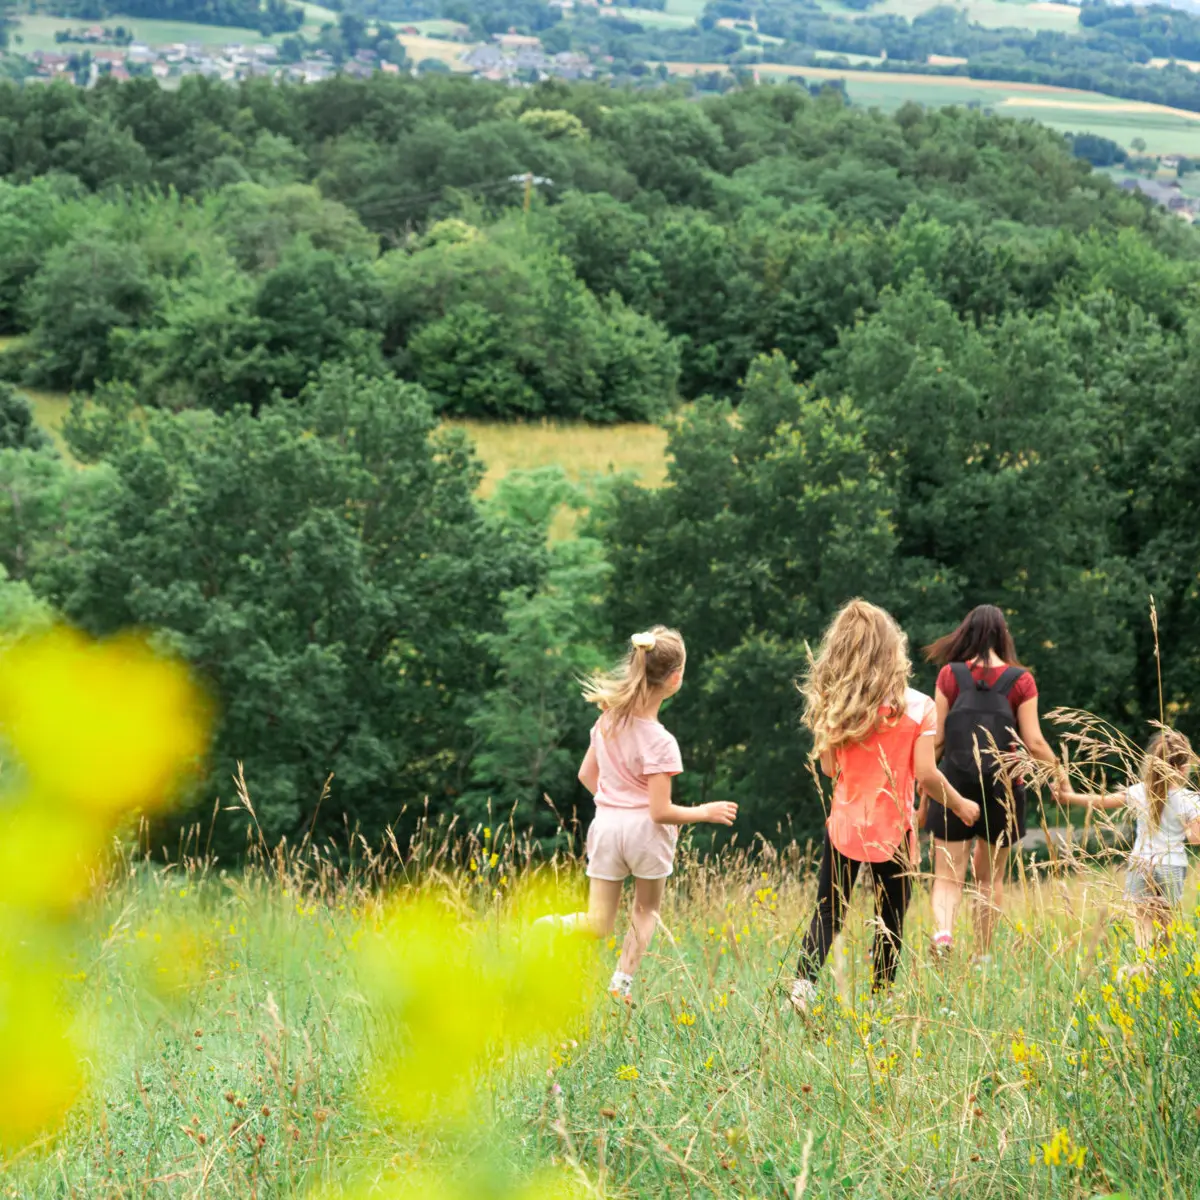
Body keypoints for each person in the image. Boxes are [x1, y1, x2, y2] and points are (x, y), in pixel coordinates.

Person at [789, 600, 979, 1014]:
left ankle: (803, 985)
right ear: (893, 649)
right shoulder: (918, 706)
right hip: (895, 829)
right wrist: (962, 804)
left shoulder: (837, 704)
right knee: (889, 918)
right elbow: (927, 775)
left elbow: (827, 768)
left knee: (828, 910)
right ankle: (880, 1002)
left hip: (844, 824)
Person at [540, 626, 737, 1001]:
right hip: (645, 833)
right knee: (646, 911)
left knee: (597, 923)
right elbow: (660, 811)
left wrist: (615, 800)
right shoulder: (661, 741)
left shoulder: (607, 721)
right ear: (675, 679)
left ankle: (546, 927)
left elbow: (586, 774)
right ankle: (621, 984)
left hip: (607, 827)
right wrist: (705, 811)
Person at [921, 604, 1059, 959]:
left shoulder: (949, 676)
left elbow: (936, 739)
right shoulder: (1021, 680)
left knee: (947, 875)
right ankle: (982, 956)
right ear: (1003, 636)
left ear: (965, 633)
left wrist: (924, 785)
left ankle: (944, 936)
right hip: (1004, 787)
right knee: (989, 879)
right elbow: (1035, 741)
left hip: (952, 783)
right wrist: (1059, 772)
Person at [1058, 730, 1200, 953]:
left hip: (1140, 864)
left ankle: (1144, 968)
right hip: (1172, 865)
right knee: (1167, 925)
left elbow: (1101, 801)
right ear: (1183, 768)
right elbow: (1195, 838)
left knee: (1142, 924)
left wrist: (1069, 797)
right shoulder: (1190, 799)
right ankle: (1165, 972)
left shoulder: (1139, 792)